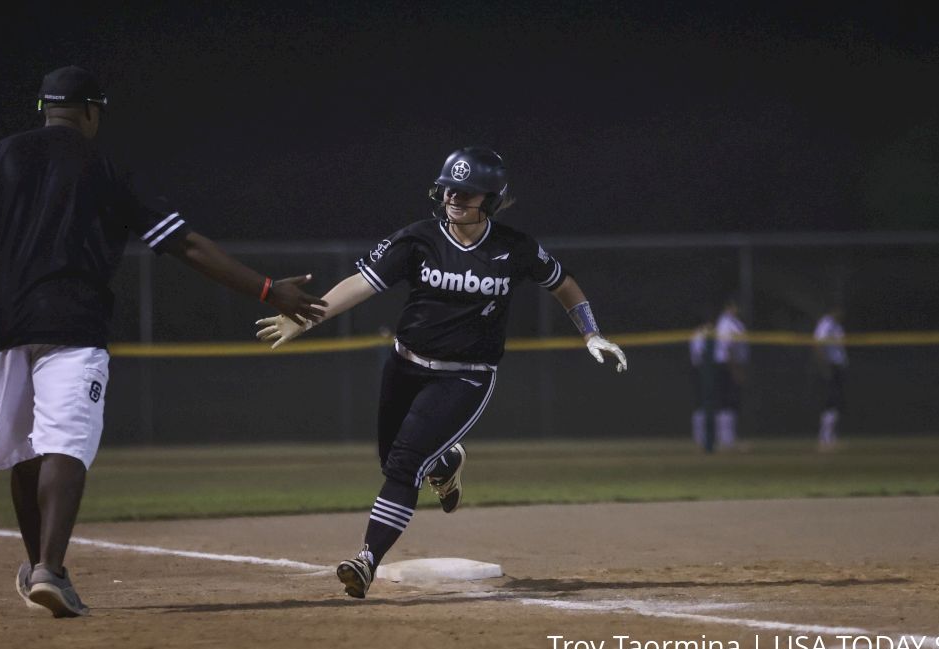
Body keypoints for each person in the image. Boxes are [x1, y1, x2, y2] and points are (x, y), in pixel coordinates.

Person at [0, 65, 326, 618]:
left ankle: (39, 566)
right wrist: (266, 289)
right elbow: (187, 246)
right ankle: (48, 568)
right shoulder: (107, 169)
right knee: (66, 442)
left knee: (23, 450)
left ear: (44, 108)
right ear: (91, 111)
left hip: (1, 328)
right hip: (73, 324)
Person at [256, 147, 627, 599]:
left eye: (468, 192)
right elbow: (361, 283)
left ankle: (366, 560)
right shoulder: (418, 239)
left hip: (466, 376)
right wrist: (307, 315)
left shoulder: (515, 248)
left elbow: (563, 284)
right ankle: (447, 460)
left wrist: (591, 333)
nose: (455, 197)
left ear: (490, 199)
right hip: (404, 366)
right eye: (450, 187)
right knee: (392, 458)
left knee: (404, 464)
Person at [712, 295, 747, 451]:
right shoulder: (726, 323)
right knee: (727, 400)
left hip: (730, 364)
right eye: (735, 306)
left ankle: (728, 439)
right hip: (726, 364)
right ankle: (726, 440)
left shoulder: (734, 323)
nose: (737, 309)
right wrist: (735, 369)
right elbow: (729, 348)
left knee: (730, 401)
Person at [813, 305, 847, 452]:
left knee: (836, 400)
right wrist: (824, 365)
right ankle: (825, 436)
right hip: (831, 365)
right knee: (831, 398)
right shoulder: (826, 323)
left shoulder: (837, 325)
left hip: (838, 365)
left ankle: (830, 436)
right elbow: (818, 345)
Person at [689, 315, 715, 452]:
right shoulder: (699, 335)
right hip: (700, 370)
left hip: (707, 370)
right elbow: (699, 354)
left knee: (707, 404)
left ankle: (707, 439)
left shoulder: (708, 335)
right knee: (701, 404)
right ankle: (700, 438)